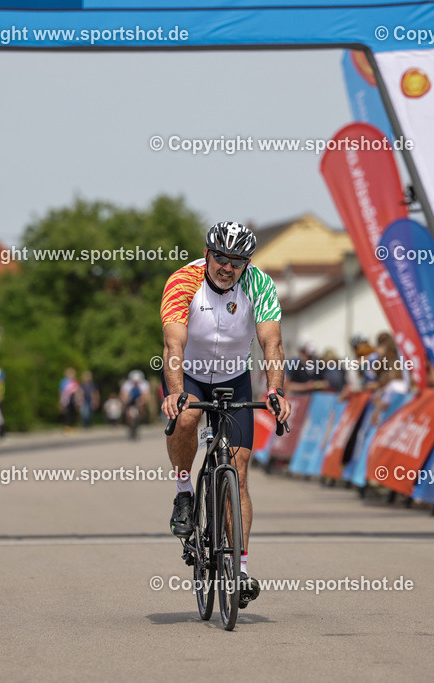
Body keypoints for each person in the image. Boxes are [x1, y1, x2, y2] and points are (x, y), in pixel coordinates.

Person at [160, 220, 291, 609]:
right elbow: (173, 342)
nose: (227, 266)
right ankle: (184, 492)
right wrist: (177, 393)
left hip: (234, 377)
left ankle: (241, 569)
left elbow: (272, 343)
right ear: (207, 253)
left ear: (246, 263)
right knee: (185, 419)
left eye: (237, 261)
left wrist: (275, 390)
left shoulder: (260, 285)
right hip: (190, 375)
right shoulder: (183, 282)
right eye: (220, 257)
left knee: (240, 468)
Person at [120, 369, 151, 439]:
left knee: (141, 411)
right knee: (128, 414)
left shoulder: (144, 384)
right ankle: (130, 426)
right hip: (130, 402)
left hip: (139, 401)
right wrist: (126, 401)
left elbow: (146, 396)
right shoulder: (127, 384)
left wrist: (141, 401)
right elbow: (123, 396)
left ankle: (139, 422)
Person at [59, 367, 82, 432]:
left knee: (73, 413)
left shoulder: (75, 381)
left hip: (74, 399)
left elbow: (78, 391)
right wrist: (60, 401)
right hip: (66, 399)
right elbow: (62, 391)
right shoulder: (63, 381)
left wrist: (79, 400)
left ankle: (72, 426)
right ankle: (67, 426)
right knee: (67, 413)